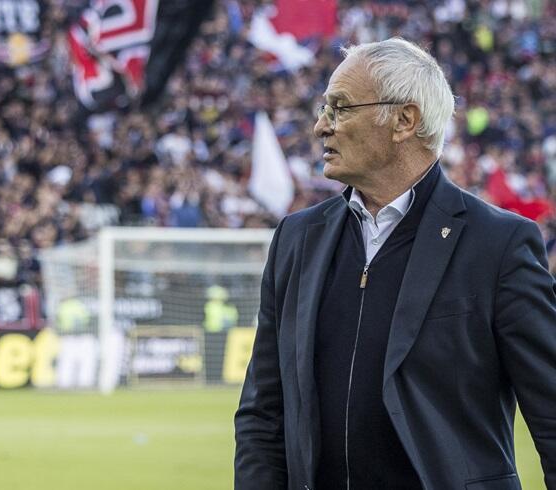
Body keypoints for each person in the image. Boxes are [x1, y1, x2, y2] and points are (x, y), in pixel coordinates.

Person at [234, 38, 556, 490]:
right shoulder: (296, 238)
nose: (320, 126)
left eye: (340, 107)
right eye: (325, 107)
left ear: (404, 120)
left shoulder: (498, 243)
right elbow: (263, 413)